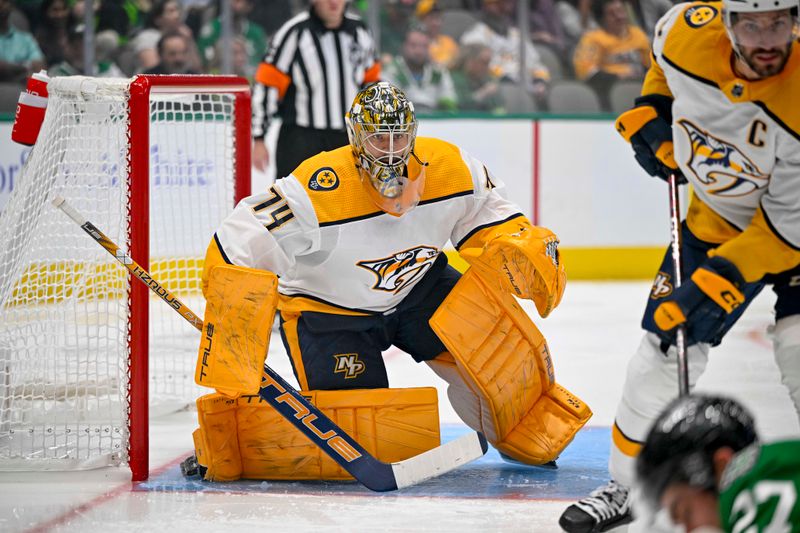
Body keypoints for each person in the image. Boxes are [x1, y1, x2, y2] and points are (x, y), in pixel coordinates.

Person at [193, 81, 591, 482]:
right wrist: (233, 323)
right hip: (328, 310)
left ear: (413, 132)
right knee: (363, 433)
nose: (389, 149)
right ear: (355, 136)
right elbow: (237, 241)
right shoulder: (318, 189)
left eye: (398, 136)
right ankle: (230, 441)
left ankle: (522, 433)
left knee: (500, 369)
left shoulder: (451, 167)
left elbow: (494, 218)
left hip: (420, 288)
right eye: (377, 137)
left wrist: (517, 242)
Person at [559, 0, 800, 531]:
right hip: (712, 224)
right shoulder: (684, 32)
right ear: (728, 22)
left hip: (792, 232)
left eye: (779, 21)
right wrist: (652, 109)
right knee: (660, 357)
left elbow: (787, 227)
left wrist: (717, 282)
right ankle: (628, 483)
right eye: (752, 23)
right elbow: (662, 70)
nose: (767, 39)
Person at [251, 0, 380, 181]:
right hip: (301, 139)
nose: (334, 2)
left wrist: (375, 131)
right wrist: (258, 137)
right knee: (292, 203)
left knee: (347, 204)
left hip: (348, 138)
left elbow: (371, 84)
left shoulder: (360, 32)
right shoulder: (294, 32)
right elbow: (267, 84)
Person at [636, 394, 800, 532]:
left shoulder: (756, 495)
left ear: (723, 467)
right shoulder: (781, 465)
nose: (688, 530)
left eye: (685, 512)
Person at [460, 0, 550, 99]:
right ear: (488, 5)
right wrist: (505, 80)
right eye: (499, 4)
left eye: (507, 3)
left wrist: (539, 80)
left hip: (529, 91)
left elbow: (536, 63)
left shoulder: (517, 34)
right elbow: (477, 70)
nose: (505, 8)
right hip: (496, 92)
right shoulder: (474, 36)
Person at [572, 0, 650, 110]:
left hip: (642, 90)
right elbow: (586, 73)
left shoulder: (638, 34)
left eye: (621, 11)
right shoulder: (593, 39)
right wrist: (617, 77)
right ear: (602, 19)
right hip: (609, 93)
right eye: (612, 14)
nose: (619, 17)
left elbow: (651, 66)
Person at [382, 26, 458, 113]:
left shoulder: (438, 72)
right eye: (413, 45)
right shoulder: (391, 72)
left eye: (424, 46)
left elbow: (449, 102)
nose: (419, 51)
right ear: (404, 46)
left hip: (435, 124)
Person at [0, 0, 44, 83]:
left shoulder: (26, 39)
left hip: (21, 90)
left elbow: (39, 67)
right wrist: (24, 67)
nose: (1, 4)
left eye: (5, 1)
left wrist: (11, 69)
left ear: (11, 5)